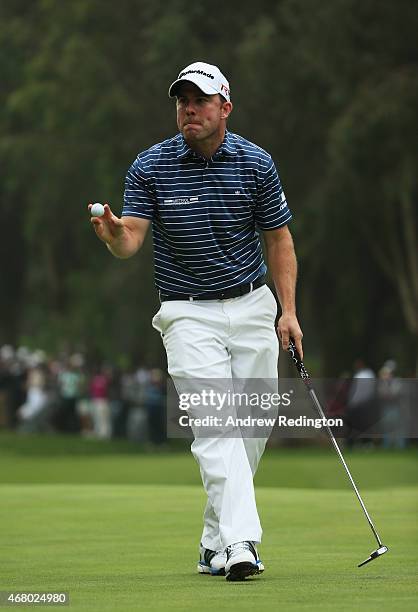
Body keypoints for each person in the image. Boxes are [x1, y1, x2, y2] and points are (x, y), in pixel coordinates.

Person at [89, 61, 303, 581]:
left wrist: (289, 310)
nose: (190, 108)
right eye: (183, 99)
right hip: (186, 311)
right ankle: (241, 543)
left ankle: (212, 543)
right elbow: (132, 240)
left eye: (201, 100)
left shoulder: (255, 163)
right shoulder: (151, 166)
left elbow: (278, 240)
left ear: (224, 107)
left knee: (252, 425)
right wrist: (116, 236)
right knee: (216, 425)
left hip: (253, 305)